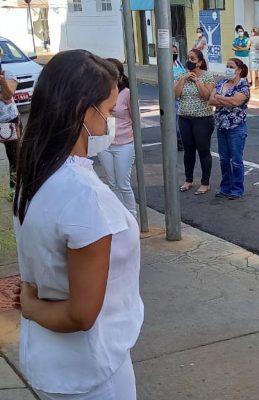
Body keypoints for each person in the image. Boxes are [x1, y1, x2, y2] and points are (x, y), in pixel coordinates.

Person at [11, 50, 143, 399]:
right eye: (110, 111)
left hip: (54, 362)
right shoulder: (83, 195)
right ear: (83, 110)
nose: (110, 123)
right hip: (93, 370)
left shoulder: (36, 173)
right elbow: (81, 315)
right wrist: (31, 305)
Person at [97, 58, 137, 220]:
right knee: (112, 184)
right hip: (104, 143)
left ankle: (132, 218)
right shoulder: (99, 93)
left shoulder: (127, 93)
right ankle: (119, 217)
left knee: (123, 184)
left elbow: (135, 118)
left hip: (124, 143)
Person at [174, 49, 216, 194]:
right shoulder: (181, 75)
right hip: (184, 118)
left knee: (203, 150)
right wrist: (183, 79)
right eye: (187, 58)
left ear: (199, 62)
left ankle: (205, 182)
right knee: (188, 150)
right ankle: (188, 180)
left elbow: (207, 96)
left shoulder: (207, 76)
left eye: (192, 58)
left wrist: (197, 81)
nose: (189, 61)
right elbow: (175, 94)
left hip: (203, 119)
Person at [209, 58, 250, 200]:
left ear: (238, 69)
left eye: (231, 66)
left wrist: (220, 98)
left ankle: (237, 189)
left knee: (236, 160)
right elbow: (210, 100)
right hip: (221, 126)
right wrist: (226, 100)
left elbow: (236, 101)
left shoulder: (243, 86)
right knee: (224, 159)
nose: (228, 69)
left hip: (236, 127)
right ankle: (225, 187)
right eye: (227, 66)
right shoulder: (221, 82)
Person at [0, 50, 20, 200]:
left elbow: (8, 95)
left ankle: (14, 190)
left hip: (8, 120)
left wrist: (1, 81)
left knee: (13, 156)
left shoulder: (8, 74)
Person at [172, 44, 186, 151]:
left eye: (175, 52)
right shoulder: (166, 65)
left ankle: (181, 138)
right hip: (173, 96)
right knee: (176, 120)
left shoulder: (179, 63)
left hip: (182, 95)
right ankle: (178, 140)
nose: (174, 54)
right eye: (171, 52)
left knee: (181, 119)